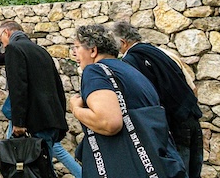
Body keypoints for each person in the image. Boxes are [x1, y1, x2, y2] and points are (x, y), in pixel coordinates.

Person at [68, 24, 185, 178]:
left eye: (77, 47)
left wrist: (76, 109)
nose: (74, 53)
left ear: (93, 50)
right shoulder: (129, 70)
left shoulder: (95, 71)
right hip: (158, 162)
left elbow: (109, 123)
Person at [111, 21, 203, 178]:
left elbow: (144, 97)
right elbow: (192, 88)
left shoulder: (132, 61)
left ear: (123, 42)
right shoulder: (160, 52)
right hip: (191, 117)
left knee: (178, 172)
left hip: (173, 124)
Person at [0, 20, 77, 176]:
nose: (1, 43)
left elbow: (18, 88)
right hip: (50, 119)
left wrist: (18, 122)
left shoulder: (14, 49)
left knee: (37, 171)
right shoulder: (40, 50)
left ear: (6, 33)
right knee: (43, 168)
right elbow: (57, 85)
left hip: (34, 122)